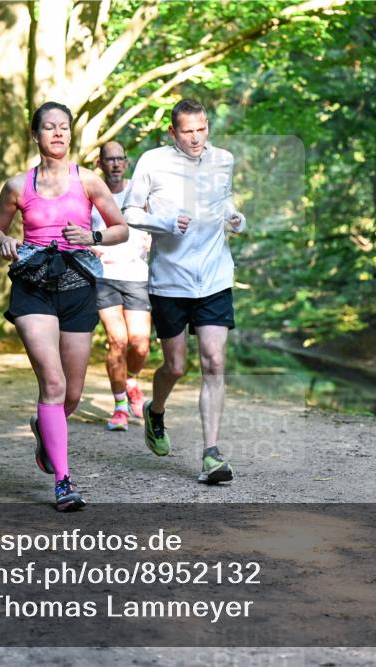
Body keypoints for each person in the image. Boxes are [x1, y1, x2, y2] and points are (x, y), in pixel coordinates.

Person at [0, 101, 127, 511]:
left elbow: (120, 229)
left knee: (74, 391)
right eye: (49, 127)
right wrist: (5, 241)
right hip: (33, 286)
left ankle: (45, 428)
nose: (58, 133)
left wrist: (91, 238)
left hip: (78, 285)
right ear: (37, 136)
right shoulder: (17, 186)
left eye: (63, 127)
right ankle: (64, 482)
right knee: (53, 383)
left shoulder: (89, 182)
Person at [122, 99, 246, 485]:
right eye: (188, 131)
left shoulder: (222, 159)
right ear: (172, 133)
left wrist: (236, 216)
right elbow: (129, 213)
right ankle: (155, 412)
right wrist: (162, 221)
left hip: (214, 276)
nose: (196, 139)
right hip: (169, 279)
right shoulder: (152, 161)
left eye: (202, 129)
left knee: (214, 361)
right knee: (175, 366)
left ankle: (211, 453)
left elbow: (221, 201)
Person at [90, 141, 152, 431]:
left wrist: (153, 237)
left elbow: (156, 223)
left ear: (126, 163)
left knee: (140, 343)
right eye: (108, 159)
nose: (114, 164)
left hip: (137, 275)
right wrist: (88, 247)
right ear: (100, 163)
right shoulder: (90, 194)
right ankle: (119, 408)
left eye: (119, 159)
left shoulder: (138, 193)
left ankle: (131, 382)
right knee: (118, 340)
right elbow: (73, 228)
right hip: (104, 275)